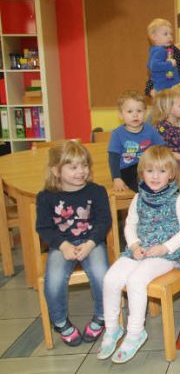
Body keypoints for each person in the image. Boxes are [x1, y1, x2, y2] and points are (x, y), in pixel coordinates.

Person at [98, 146, 180, 363]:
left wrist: (166, 247)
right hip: (139, 251)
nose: (155, 176)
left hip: (164, 255)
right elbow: (130, 225)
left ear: (171, 174)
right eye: (150, 171)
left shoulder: (176, 198)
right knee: (110, 278)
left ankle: (135, 331)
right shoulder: (138, 197)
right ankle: (112, 329)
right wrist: (133, 245)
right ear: (142, 174)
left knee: (135, 281)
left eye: (161, 171)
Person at [36, 141, 111, 347]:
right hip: (62, 245)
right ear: (56, 170)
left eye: (84, 165)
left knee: (101, 273)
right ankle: (60, 322)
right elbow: (44, 228)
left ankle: (101, 317)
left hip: (91, 242)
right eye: (73, 167)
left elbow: (104, 221)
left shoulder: (96, 191)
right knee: (55, 278)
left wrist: (90, 243)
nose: (81, 171)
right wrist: (63, 246)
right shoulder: (45, 197)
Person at [108, 90, 164, 192]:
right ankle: (149, 197)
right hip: (127, 169)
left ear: (145, 113)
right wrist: (116, 178)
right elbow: (113, 159)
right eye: (130, 111)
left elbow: (162, 149)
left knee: (164, 176)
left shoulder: (150, 130)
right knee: (144, 186)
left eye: (139, 111)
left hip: (149, 166)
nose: (135, 115)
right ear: (121, 115)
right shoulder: (117, 134)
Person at [146, 18, 178, 93]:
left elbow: (149, 65)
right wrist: (170, 64)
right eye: (165, 34)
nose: (170, 37)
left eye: (171, 34)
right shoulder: (161, 51)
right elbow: (154, 66)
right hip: (165, 87)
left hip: (162, 87)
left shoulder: (154, 50)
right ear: (154, 37)